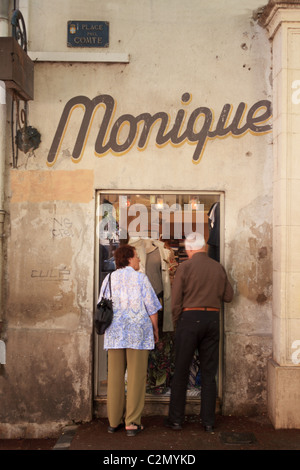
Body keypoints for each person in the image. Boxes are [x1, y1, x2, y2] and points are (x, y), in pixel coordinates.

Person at [165, 232, 233, 432]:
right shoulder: (218, 267)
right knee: (209, 372)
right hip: (212, 319)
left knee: (182, 371)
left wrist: (177, 324)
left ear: (189, 249)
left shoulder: (184, 267)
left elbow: (175, 301)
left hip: (189, 319)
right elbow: (229, 296)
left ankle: (176, 420)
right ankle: (209, 422)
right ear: (204, 247)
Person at [98, 244, 161, 436]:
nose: (139, 260)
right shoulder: (141, 278)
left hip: (115, 333)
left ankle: (114, 421)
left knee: (115, 377)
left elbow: (101, 303)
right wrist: (156, 330)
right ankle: (132, 422)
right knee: (135, 377)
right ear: (128, 258)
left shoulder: (109, 278)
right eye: (136, 257)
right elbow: (151, 307)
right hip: (138, 334)